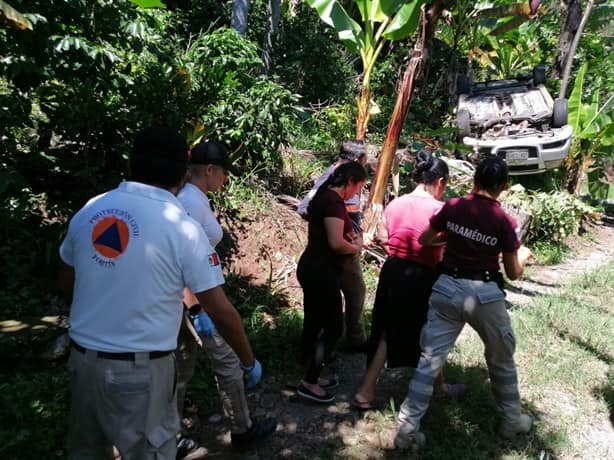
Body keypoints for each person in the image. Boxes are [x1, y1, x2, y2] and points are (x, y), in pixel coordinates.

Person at [58, 126, 261, 460]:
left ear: (131, 165)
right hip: (141, 370)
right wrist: (248, 359)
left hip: (83, 363)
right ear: (183, 173)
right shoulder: (180, 226)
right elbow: (221, 310)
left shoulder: (92, 208)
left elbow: (68, 279)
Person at [394, 156, 534, 449]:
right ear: (504, 187)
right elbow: (513, 272)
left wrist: (452, 240)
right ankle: (511, 421)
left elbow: (425, 239)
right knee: (501, 358)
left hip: (446, 287)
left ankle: (406, 431)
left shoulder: (454, 206)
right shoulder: (504, 221)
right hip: (485, 293)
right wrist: (523, 256)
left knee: (429, 361)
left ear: (474, 180)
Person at [175, 140, 276, 454]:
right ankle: (242, 428)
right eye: (224, 173)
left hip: (188, 298)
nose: (226, 179)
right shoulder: (190, 204)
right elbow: (182, 262)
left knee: (180, 366)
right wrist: (196, 308)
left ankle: (171, 433)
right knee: (230, 362)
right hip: (197, 299)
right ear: (209, 170)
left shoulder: (193, 199)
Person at [352, 151, 464, 411]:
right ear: (440, 182)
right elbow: (445, 246)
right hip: (423, 275)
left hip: (393, 271)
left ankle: (434, 386)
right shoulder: (439, 210)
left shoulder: (396, 203)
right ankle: (369, 392)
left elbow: (383, 236)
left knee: (388, 330)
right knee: (431, 331)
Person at [296, 161, 368, 403]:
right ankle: (310, 382)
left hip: (312, 267)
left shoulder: (324, 197)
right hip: (321, 271)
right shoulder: (334, 203)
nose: (356, 193)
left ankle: (309, 368)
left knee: (314, 321)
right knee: (334, 327)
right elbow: (336, 243)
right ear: (349, 182)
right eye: (357, 187)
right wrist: (356, 246)